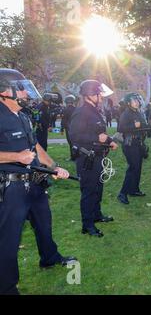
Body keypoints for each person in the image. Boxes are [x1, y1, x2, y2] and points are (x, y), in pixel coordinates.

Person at [0, 68, 76, 295]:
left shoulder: (22, 115)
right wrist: (15, 157)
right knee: (8, 240)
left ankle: (49, 258)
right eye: (20, 87)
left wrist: (53, 168)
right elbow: (21, 154)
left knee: (44, 224)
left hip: (34, 182)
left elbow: (36, 147)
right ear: (4, 90)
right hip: (10, 188)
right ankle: (6, 287)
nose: (25, 93)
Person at [70, 80, 118, 237]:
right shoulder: (81, 112)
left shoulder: (95, 110)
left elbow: (101, 133)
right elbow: (75, 136)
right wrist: (97, 137)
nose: (101, 97)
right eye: (99, 94)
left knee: (98, 188)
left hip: (98, 156)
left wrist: (110, 141)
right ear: (90, 95)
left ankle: (97, 215)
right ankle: (87, 225)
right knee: (89, 191)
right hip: (87, 159)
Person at [117, 93, 148, 204]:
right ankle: (122, 193)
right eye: (134, 101)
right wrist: (134, 126)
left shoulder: (139, 112)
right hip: (129, 144)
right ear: (128, 103)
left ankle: (134, 189)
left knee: (138, 167)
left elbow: (143, 125)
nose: (137, 102)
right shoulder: (126, 114)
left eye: (138, 100)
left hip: (138, 143)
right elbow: (120, 128)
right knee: (133, 167)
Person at [61, 94, 77, 160]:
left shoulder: (65, 109)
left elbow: (64, 120)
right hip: (76, 128)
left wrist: (62, 129)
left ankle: (73, 157)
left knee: (71, 143)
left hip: (68, 128)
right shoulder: (76, 109)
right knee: (76, 143)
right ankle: (76, 156)